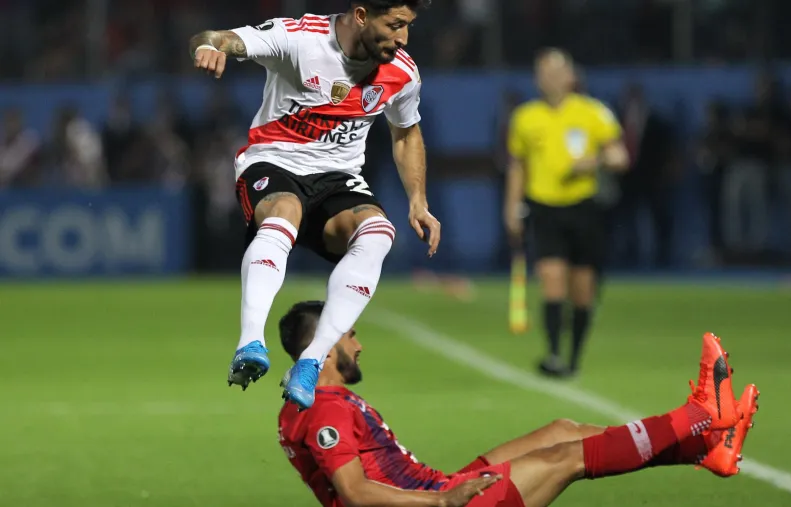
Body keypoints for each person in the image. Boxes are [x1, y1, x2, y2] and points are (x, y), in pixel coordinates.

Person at [188, 0, 441, 410]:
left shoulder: (402, 73)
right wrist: (211, 46)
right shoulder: (299, 39)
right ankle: (250, 342)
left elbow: (406, 133)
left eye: (407, 26)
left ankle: (310, 362)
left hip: (337, 179)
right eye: (395, 25)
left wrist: (418, 200)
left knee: (379, 234)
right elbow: (216, 38)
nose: (403, 38)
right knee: (285, 211)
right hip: (274, 160)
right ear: (362, 16)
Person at [276, 300, 760, 507]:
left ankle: (703, 448)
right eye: (351, 334)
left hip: (441, 489)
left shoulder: (313, 400)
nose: (359, 345)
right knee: (567, 457)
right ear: (327, 344)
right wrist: (444, 500)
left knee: (560, 431)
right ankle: (698, 415)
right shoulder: (325, 410)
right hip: (442, 504)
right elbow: (356, 495)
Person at [504, 48, 630, 378]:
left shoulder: (593, 112)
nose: (551, 79)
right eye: (544, 73)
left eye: (557, 72)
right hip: (544, 207)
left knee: (583, 288)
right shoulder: (525, 117)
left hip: (583, 208)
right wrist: (512, 207)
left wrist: (596, 161)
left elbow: (620, 156)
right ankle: (554, 354)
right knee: (551, 280)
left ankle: (574, 356)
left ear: (571, 76)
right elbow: (518, 166)